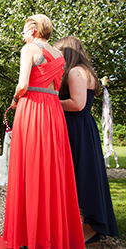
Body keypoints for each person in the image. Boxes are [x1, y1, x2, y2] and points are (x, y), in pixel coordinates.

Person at [3, 14, 85, 248]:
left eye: (24, 28)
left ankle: (30, 233)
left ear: (34, 29)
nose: (22, 33)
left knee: (29, 166)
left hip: (33, 108)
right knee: (52, 169)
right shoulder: (60, 56)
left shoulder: (28, 49)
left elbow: (23, 85)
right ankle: (53, 233)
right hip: (53, 112)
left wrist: (15, 99)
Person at [55, 36, 119, 245]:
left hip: (78, 129)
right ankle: (79, 225)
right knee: (78, 176)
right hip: (78, 128)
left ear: (68, 53)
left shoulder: (76, 72)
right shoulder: (82, 70)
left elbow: (77, 104)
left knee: (84, 176)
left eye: (59, 52)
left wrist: (50, 100)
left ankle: (90, 228)